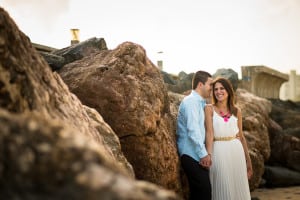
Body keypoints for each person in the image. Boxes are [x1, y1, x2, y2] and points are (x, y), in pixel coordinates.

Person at [205, 77, 253, 200]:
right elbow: (209, 134)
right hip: (218, 151)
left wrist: (248, 161)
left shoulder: (237, 111)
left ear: (228, 90)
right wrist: (208, 155)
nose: (218, 91)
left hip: (236, 152)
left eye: (222, 88)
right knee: (221, 186)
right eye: (215, 89)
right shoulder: (209, 109)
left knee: (238, 187)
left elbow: (241, 137)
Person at [176, 70, 213, 200]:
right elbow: (193, 131)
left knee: (200, 194)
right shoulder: (191, 102)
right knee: (204, 193)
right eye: (210, 84)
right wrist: (203, 154)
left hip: (195, 154)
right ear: (200, 85)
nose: (212, 88)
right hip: (191, 154)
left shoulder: (199, 103)